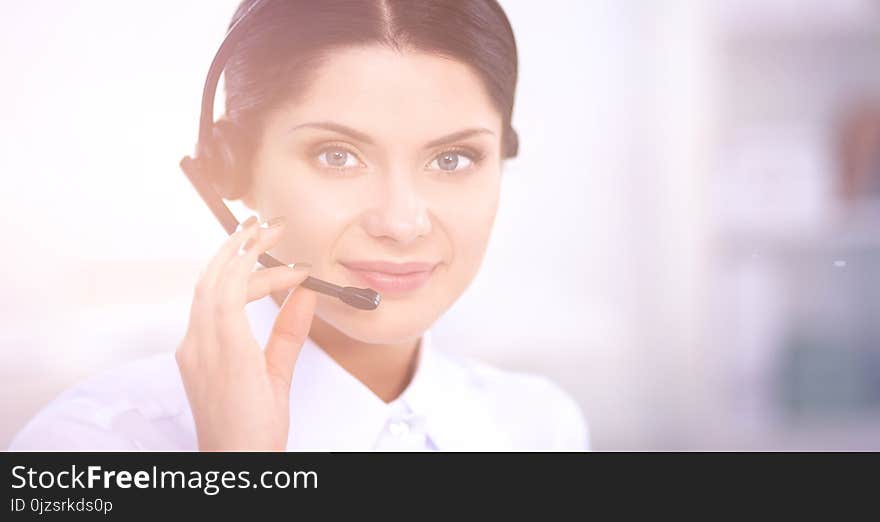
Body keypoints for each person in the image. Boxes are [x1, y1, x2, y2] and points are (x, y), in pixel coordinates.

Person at [10, 0, 589, 451]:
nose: (402, 223)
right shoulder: (90, 448)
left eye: (452, 159)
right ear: (234, 167)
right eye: (337, 156)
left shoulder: (541, 427)